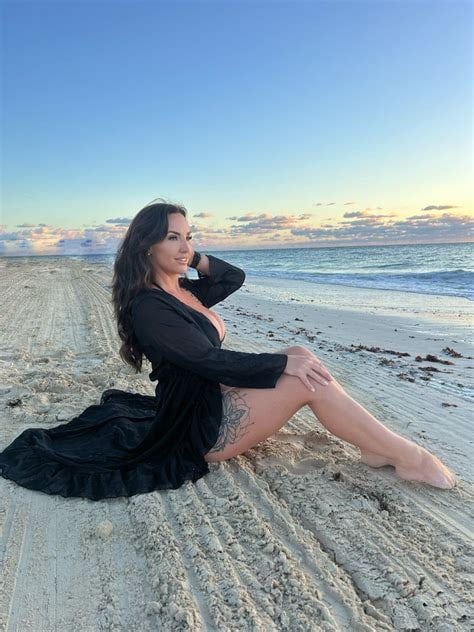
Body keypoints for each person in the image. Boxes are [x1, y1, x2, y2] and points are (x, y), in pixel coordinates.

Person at [0, 200, 457, 500]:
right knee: (303, 378)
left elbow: (233, 277)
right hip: (196, 429)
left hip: (210, 398)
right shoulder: (149, 306)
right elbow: (208, 360)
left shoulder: (185, 292)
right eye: (173, 237)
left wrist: (190, 258)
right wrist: (280, 364)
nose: (185, 246)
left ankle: (377, 449)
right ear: (146, 245)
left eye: (189, 236)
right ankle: (408, 458)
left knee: (300, 353)